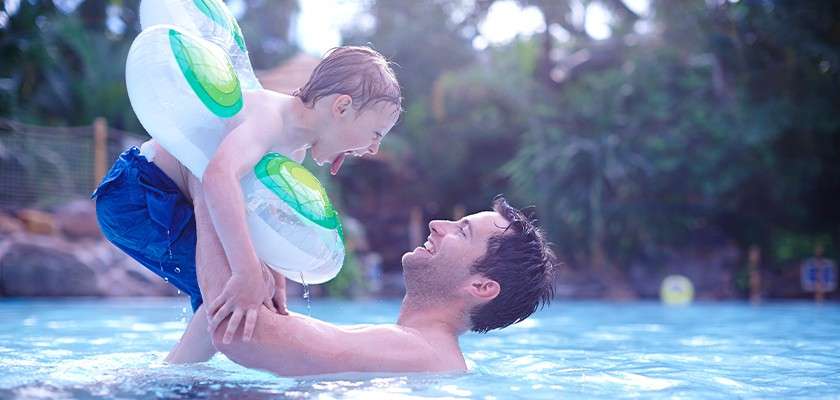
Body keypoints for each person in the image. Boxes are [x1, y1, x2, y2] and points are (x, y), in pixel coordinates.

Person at [92, 46, 402, 360]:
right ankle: (169, 382)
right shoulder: (269, 118)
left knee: (236, 300)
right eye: (376, 133)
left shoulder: (294, 150)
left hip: (167, 196)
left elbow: (259, 215)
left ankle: (178, 375)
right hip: (138, 192)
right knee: (227, 295)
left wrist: (275, 275)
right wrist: (245, 270)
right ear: (342, 107)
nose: (374, 148)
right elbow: (219, 175)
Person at [167, 193, 556, 375]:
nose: (438, 225)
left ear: (481, 286)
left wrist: (210, 187)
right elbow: (230, 323)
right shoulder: (408, 349)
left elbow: (241, 335)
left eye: (462, 230)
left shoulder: (424, 353)